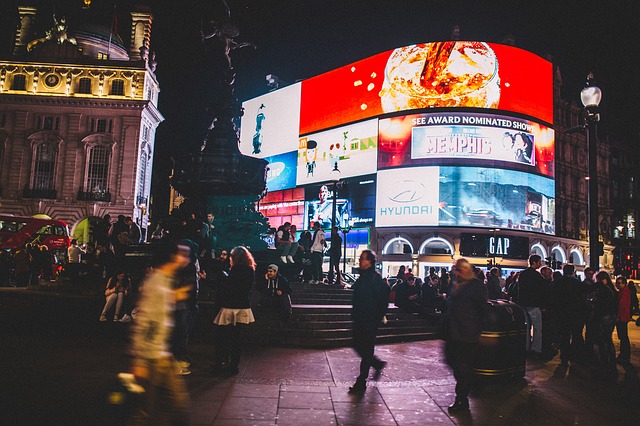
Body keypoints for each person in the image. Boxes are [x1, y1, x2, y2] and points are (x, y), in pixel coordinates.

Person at [128, 242, 191, 425]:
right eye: (181, 255)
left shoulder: (165, 280)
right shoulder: (157, 282)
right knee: (148, 407)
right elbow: (145, 321)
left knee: (174, 403)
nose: (185, 259)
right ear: (172, 258)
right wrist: (139, 360)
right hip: (151, 355)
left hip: (162, 353)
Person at [443, 258, 488, 414]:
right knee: (452, 362)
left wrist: (481, 331)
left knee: (462, 366)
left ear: (468, 270)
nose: (457, 272)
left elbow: (484, 309)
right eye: (455, 269)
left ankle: (461, 399)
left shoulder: (476, 285)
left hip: (467, 333)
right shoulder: (456, 285)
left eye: (460, 269)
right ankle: (473, 382)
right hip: (454, 332)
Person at [348, 249, 390, 394]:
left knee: (366, 350)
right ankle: (377, 363)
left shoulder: (375, 278)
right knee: (357, 345)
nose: (361, 261)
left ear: (370, 261)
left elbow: (384, 298)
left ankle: (361, 382)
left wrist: (378, 316)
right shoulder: (362, 278)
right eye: (360, 258)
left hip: (370, 320)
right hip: (359, 318)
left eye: (363, 259)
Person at [212, 246, 256, 376]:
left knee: (223, 337)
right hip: (242, 306)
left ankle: (220, 363)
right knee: (236, 338)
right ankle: (233, 365)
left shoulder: (235, 269)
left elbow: (228, 287)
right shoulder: (250, 270)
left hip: (230, 306)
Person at [172, 239, 200, 376]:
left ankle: (180, 357)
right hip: (184, 304)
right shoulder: (188, 266)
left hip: (181, 303)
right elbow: (190, 286)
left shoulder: (180, 266)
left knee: (181, 332)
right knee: (181, 333)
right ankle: (180, 358)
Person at [550, 264, 582, 365]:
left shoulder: (557, 282)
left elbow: (552, 297)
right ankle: (573, 355)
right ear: (573, 272)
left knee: (564, 336)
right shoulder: (575, 282)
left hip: (561, 313)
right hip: (573, 312)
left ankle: (564, 357)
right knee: (576, 335)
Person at [516, 254, 546, 357]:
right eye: (539, 262)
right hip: (534, 304)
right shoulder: (537, 275)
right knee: (537, 328)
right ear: (535, 262)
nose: (540, 264)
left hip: (523, 303)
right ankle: (537, 349)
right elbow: (542, 289)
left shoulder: (523, 274)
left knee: (527, 327)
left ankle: (526, 347)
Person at [593, 270, 618, 375]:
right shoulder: (612, 290)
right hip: (610, 317)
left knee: (603, 340)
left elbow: (600, 305)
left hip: (604, 316)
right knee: (607, 340)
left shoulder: (603, 290)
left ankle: (605, 362)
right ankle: (611, 362)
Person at [614, 275, 631, 365]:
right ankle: (624, 356)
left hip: (622, 318)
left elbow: (622, 306)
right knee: (624, 337)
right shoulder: (623, 292)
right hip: (623, 317)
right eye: (617, 283)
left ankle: (624, 356)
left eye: (620, 283)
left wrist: (617, 317)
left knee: (623, 337)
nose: (618, 285)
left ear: (624, 284)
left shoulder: (624, 293)